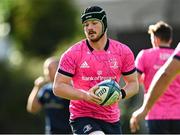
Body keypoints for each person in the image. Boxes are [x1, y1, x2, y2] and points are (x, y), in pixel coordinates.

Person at [53, 6, 139, 135]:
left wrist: (120, 94)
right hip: (82, 116)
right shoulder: (73, 53)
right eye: (86, 25)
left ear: (104, 24)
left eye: (94, 23)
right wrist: (85, 96)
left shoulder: (123, 52)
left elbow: (133, 84)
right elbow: (58, 86)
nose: (89, 28)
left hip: (111, 118)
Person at [130, 21, 180, 134]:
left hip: (155, 114)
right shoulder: (177, 57)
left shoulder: (144, 55)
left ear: (155, 38)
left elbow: (134, 81)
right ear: (170, 39)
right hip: (178, 114)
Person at [27, 57, 71, 134]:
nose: (47, 72)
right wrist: (36, 87)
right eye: (46, 69)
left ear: (59, 69)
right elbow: (32, 109)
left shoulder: (68, 87)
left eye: (50, 69)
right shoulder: (45, 90)